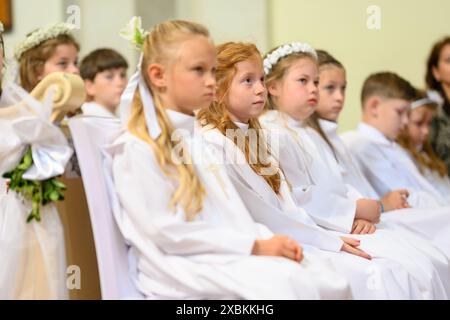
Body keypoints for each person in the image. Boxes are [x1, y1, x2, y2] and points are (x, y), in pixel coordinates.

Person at [107, 19, 351, 299]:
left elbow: (231, 215)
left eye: (212, 71)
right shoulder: (140, 146)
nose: (212, 81)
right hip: (180, 268)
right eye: (199, 70)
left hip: (220, 252)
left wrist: (264, 240)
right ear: (159, 76)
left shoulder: (193, 140)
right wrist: (255, 245)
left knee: (325, 279)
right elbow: (164, 232)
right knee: (294, 287)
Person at [198, 41, 450, 299]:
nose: (260, 89)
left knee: (412, 259)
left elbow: (293, 201)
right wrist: (335, 234)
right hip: (276, 239)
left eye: (261, 79)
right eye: (248, 81)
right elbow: (268, 210)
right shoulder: (217, 142)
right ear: (217, 88)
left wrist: (345, 222)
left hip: (309, 229)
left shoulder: (255, 136)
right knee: (384, 272)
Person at [80, 48, 128, 117]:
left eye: (123, 75)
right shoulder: (87, 118)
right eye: (109, 77)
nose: (120, 83)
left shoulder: (115, 119)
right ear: (89, 87)